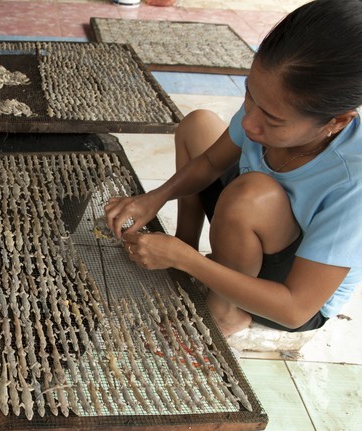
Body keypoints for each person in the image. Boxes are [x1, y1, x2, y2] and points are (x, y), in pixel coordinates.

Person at [105, 0, 362, 338]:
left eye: (272, 120)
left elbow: (295, 310)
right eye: (249, 95)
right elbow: (210, 162)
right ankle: (185, 244)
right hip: (250, 234)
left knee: (251, 194)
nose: (249, 122)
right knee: (198, 125)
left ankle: (226, 313)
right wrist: (156, 198)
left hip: (288, 296)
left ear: (336, 121)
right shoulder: (263, 112)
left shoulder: (352, 181)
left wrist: (188, 261)